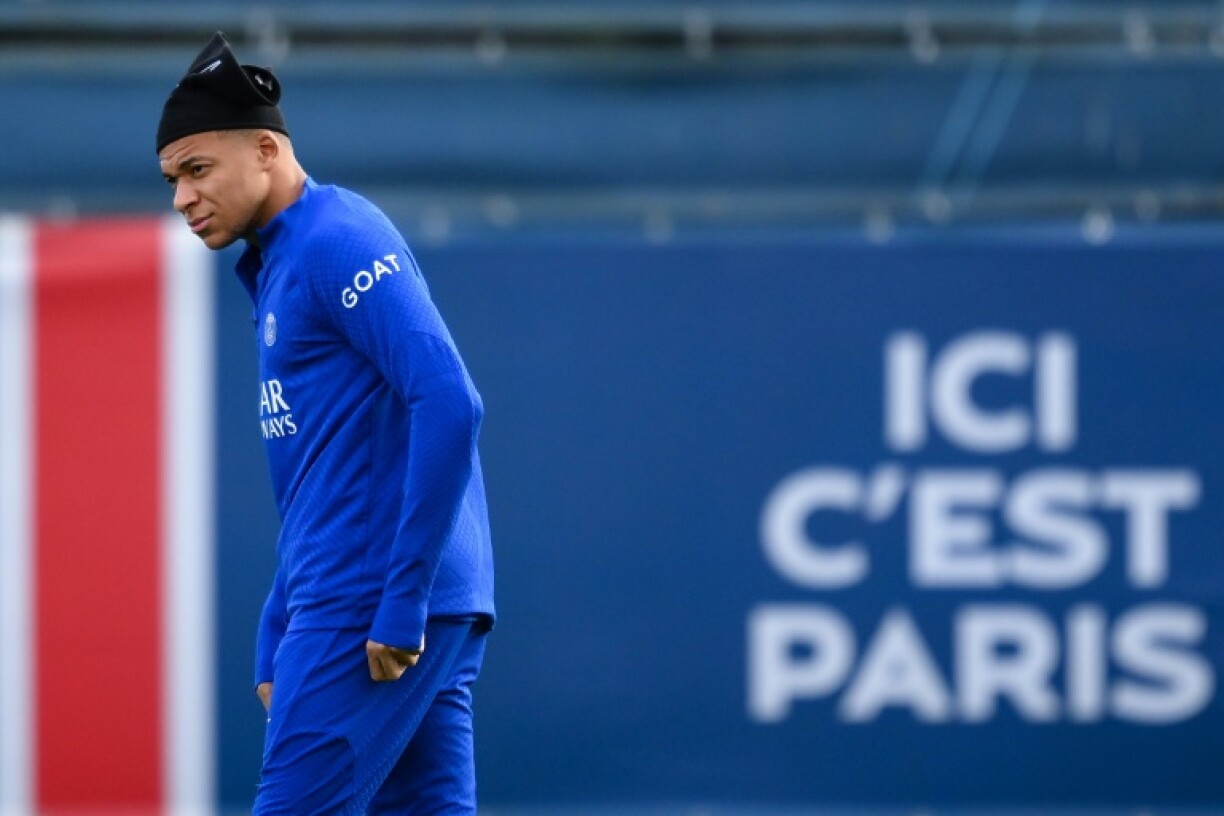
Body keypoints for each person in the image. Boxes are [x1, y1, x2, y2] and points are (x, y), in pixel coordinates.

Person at [156, 32, 495, 815]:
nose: (181, 197)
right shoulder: (282, 260)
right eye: (173, 178)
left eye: (198, 170)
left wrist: (399, 599)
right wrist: (278, 617)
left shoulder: (336, 240)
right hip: (396, 598)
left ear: (267, 150)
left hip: (370, 606)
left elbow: (450, 403)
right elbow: (331, 468)